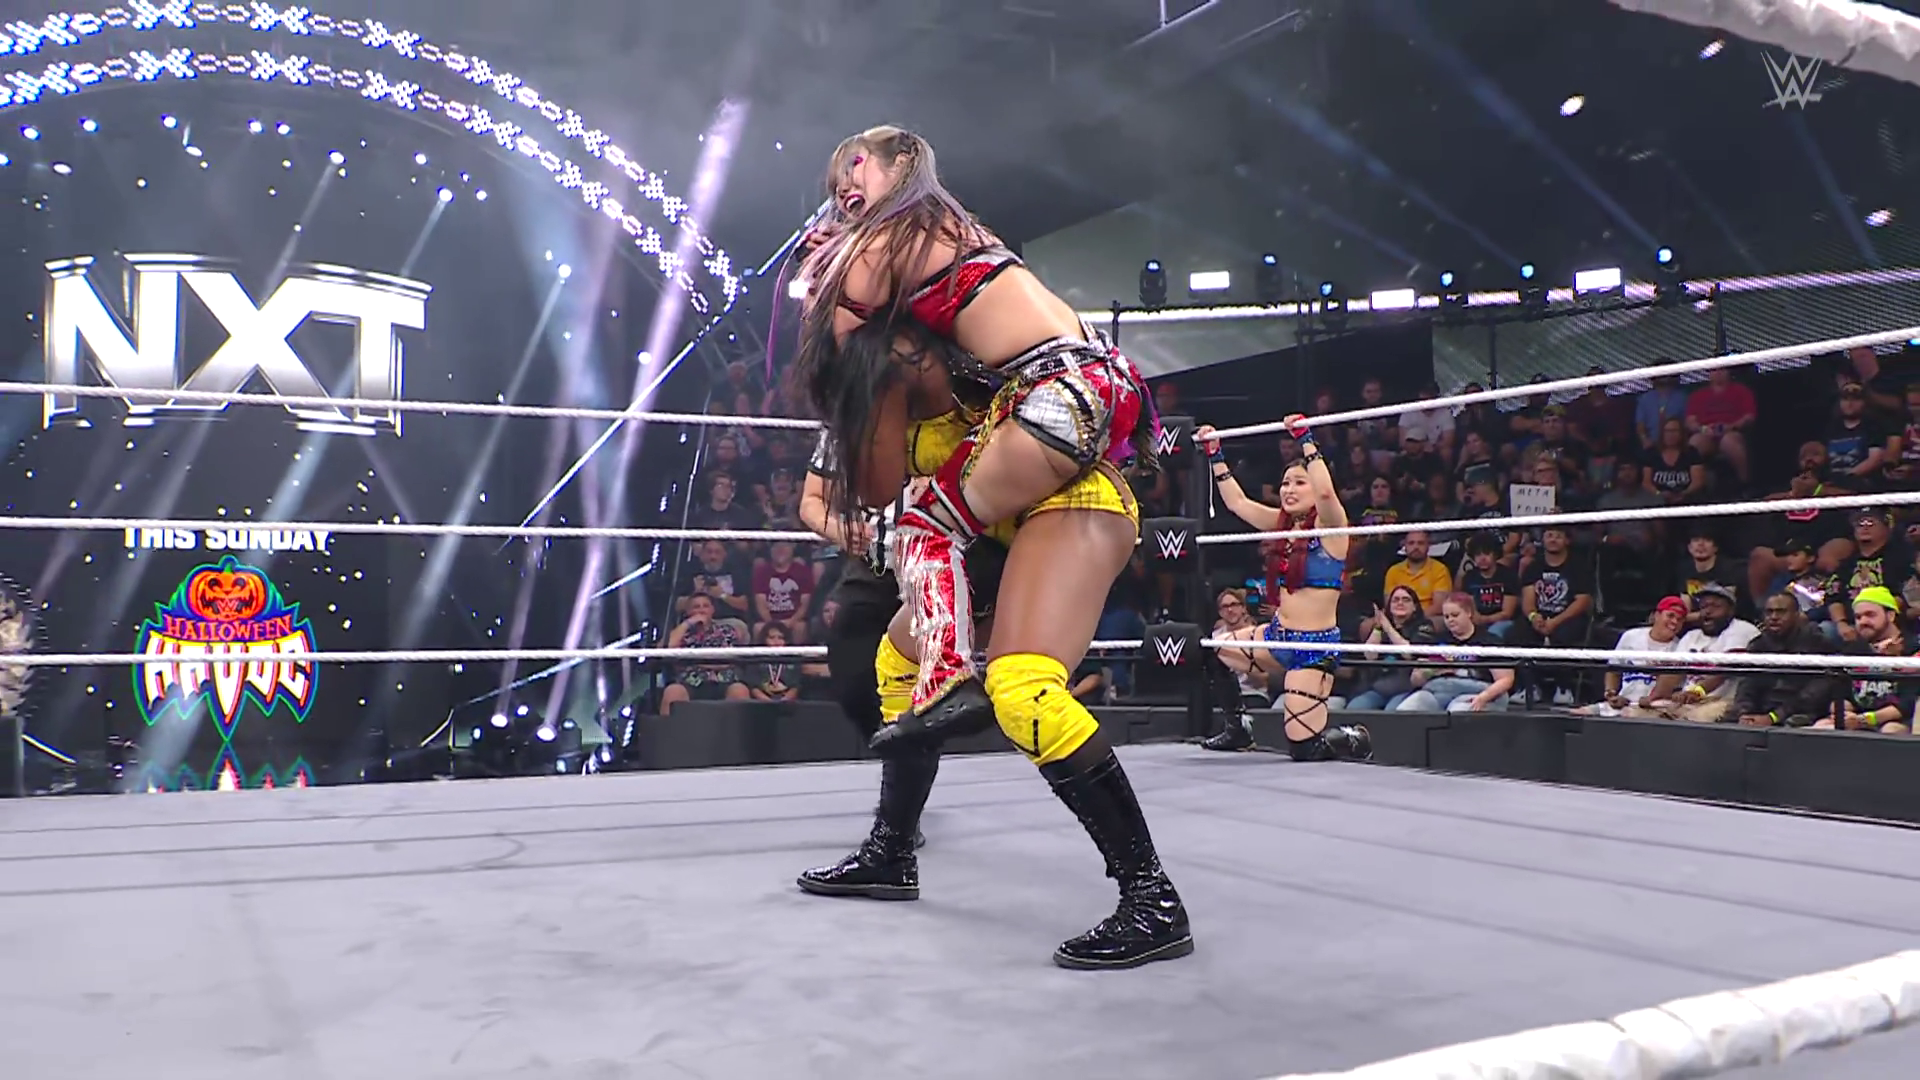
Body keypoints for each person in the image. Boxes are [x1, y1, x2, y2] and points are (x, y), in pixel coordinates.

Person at [787, 126, 1187, 969]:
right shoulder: (898, 360)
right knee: (897, 655)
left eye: (853, 177)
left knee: (1022, 687)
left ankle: (1151, 898)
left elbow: (856, 287)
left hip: (1070, 499)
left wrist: (829, 275)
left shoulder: (942, 295)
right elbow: (875, 487)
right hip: (1004, 513)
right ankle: (893, 851)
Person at [792, 421, 1009, 902]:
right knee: (853, 678)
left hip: (950, 561)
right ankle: (901, 810)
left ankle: (896, 832)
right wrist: (839, 528)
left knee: (920, 685)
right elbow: (812, 499)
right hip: (877, 562)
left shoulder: (961, 409)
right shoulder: (851, 415)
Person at [1198, 422, 1373, 761]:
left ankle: (1353, 738)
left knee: (1304, 748)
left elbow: (1327, 495)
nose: (1289, 490)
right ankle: (1237, 729)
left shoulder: (1332, 528)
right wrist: (1215, 454)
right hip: (1277, 635)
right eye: (1285, 483)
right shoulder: (1281, 526)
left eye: (1299, 483)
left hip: (1313, 648)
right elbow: (1237, 503)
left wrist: (1306, 440)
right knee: (1213, 649)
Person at [1396, 593, 1516, 712]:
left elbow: (1506, 679)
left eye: (1455, 615)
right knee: (1407, 708)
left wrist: (1484, 697)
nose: (1450, 620)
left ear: (1468, 613)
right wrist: (1424, 673)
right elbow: (1415, 681)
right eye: (1446, 617)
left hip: (1477, 691)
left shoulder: (1489, 641)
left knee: (1458, 711)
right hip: (1438, 691)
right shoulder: (1438, 641)